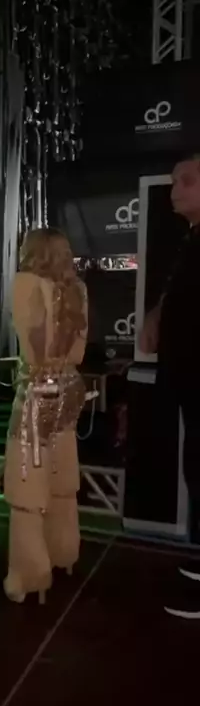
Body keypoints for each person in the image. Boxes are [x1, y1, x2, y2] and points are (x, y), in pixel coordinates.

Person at [3, 228, 88, 605]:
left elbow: (36, 347)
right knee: (60, 472)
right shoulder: (77, 290)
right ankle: (63, 552)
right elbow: (77, 349)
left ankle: (29, 574)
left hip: (39, 389)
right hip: (70, 385)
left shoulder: (27, 284)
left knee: (26, 480)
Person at [140, 155, 200, 618]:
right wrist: (157, 315)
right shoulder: (191, 239)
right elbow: (180, 293)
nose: (175, 189)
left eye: (187, 181)